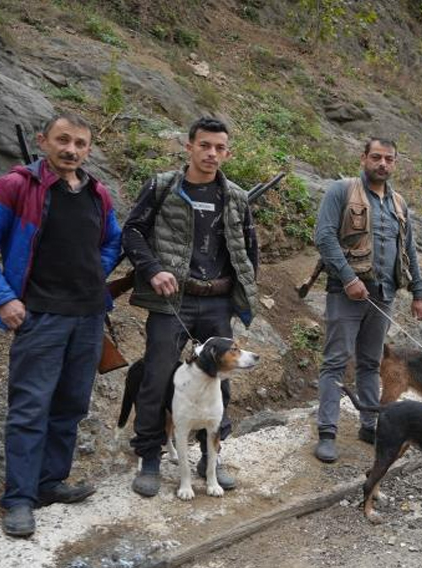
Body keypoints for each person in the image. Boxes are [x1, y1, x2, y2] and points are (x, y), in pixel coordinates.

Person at [0, 114, 122, 537]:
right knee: (30, 409)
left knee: (70, 406)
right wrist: (3, 298)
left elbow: (112, 241)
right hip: (40, 316)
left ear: (89, 149)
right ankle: (19, 500)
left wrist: (96, 273)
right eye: (63, 140)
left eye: (81, 144)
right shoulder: (15, 186)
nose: (71, 150)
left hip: (89, 317)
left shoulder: (97, 193)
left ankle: (51, 483)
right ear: (43, 141)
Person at [123, 117, 259, 496]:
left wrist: (240, 296)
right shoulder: (162, 186)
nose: (212, 154)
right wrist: (152, 270)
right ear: (189, 146)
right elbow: (132, 232)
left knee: (222, 381)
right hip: (171, 300)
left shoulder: (236, 196)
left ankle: (209, 457)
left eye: (219, 148)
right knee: (156, 377)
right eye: (204, 145)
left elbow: (249, 251)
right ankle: (149, 456)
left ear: (227, 152)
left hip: (216, 301)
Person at [312, 138, 422, 463]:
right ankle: (327, 433)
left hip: (383, 295)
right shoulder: (342, 191)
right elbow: (323, 236)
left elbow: (409, 251)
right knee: (335, 361)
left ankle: (369, 424)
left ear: (395, 162)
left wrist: (418, 293)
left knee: (370, 363)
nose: (382, 164)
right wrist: (348, 277)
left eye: (389, 159)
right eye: (376, 157)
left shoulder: (399, 204)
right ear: (363, 158)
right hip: (344, 293)